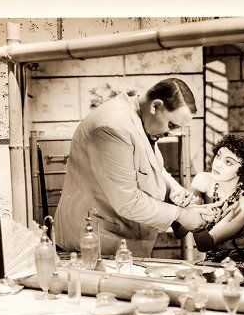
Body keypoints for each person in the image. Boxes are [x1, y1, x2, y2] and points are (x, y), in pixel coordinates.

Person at [55, 78, 213, 257]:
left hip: (119, 243)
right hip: (94, 245)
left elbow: (151, 166)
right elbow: (127, 201)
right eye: (172, 125)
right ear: (156, 106)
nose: (171, 132)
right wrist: (180, 215)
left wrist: (172, 188)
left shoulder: (140, 119)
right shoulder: (111, 126)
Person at [173, 134, 244, 263]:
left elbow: (205, 245)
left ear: (243, 170)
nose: (218, 164)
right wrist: (182, 206)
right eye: (218, 156)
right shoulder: (203, 181)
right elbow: (179, 233)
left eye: (228, 162)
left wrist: (194, 215)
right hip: (213, 263)